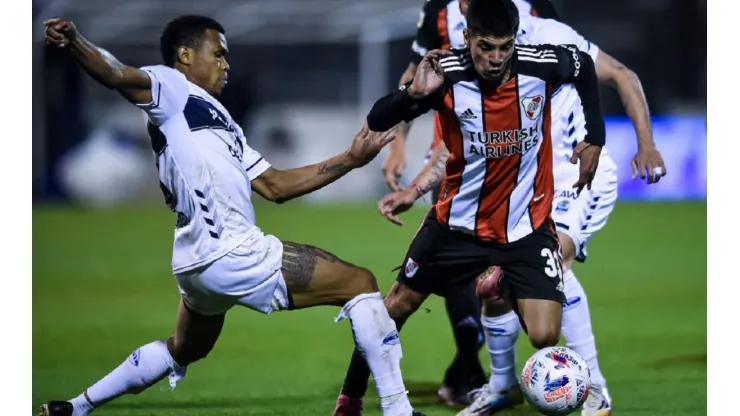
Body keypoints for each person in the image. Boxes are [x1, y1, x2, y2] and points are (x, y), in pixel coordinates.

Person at [39, 15, 425, 416]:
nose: (226, 64)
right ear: (185, 55)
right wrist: (76, 41)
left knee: (184, 348)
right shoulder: (172, 88)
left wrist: (349, 159)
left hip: (195, 262)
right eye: (218, 53)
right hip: (232, 250)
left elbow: (276, 185)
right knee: (360, 282)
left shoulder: (223, 123)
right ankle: (397, 410)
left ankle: (77, 406)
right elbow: (116, 73)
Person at [333, 0, 606, 415]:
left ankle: (497, 289)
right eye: (485, 47)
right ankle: (351, 395)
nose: (495, 59)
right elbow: (378, 117)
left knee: (545, 336)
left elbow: (585, 66)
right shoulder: (446, 77)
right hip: (455, 227)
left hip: (525, 230)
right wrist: (412, 93)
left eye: (504, 47)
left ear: (516, 40)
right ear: (467, 38)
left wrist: (594, 138)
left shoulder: (541, 65)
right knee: (396, 307)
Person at [382, 0, 563, 406]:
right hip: (454, 155)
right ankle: (471, 368)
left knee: (536, 285)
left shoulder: (534, 10)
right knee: (457, 265)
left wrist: (585, 137)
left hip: (526, 147)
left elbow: (564, 61)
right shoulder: (437, 13)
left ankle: (485, 369)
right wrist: (398, 141)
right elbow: (413, 75)